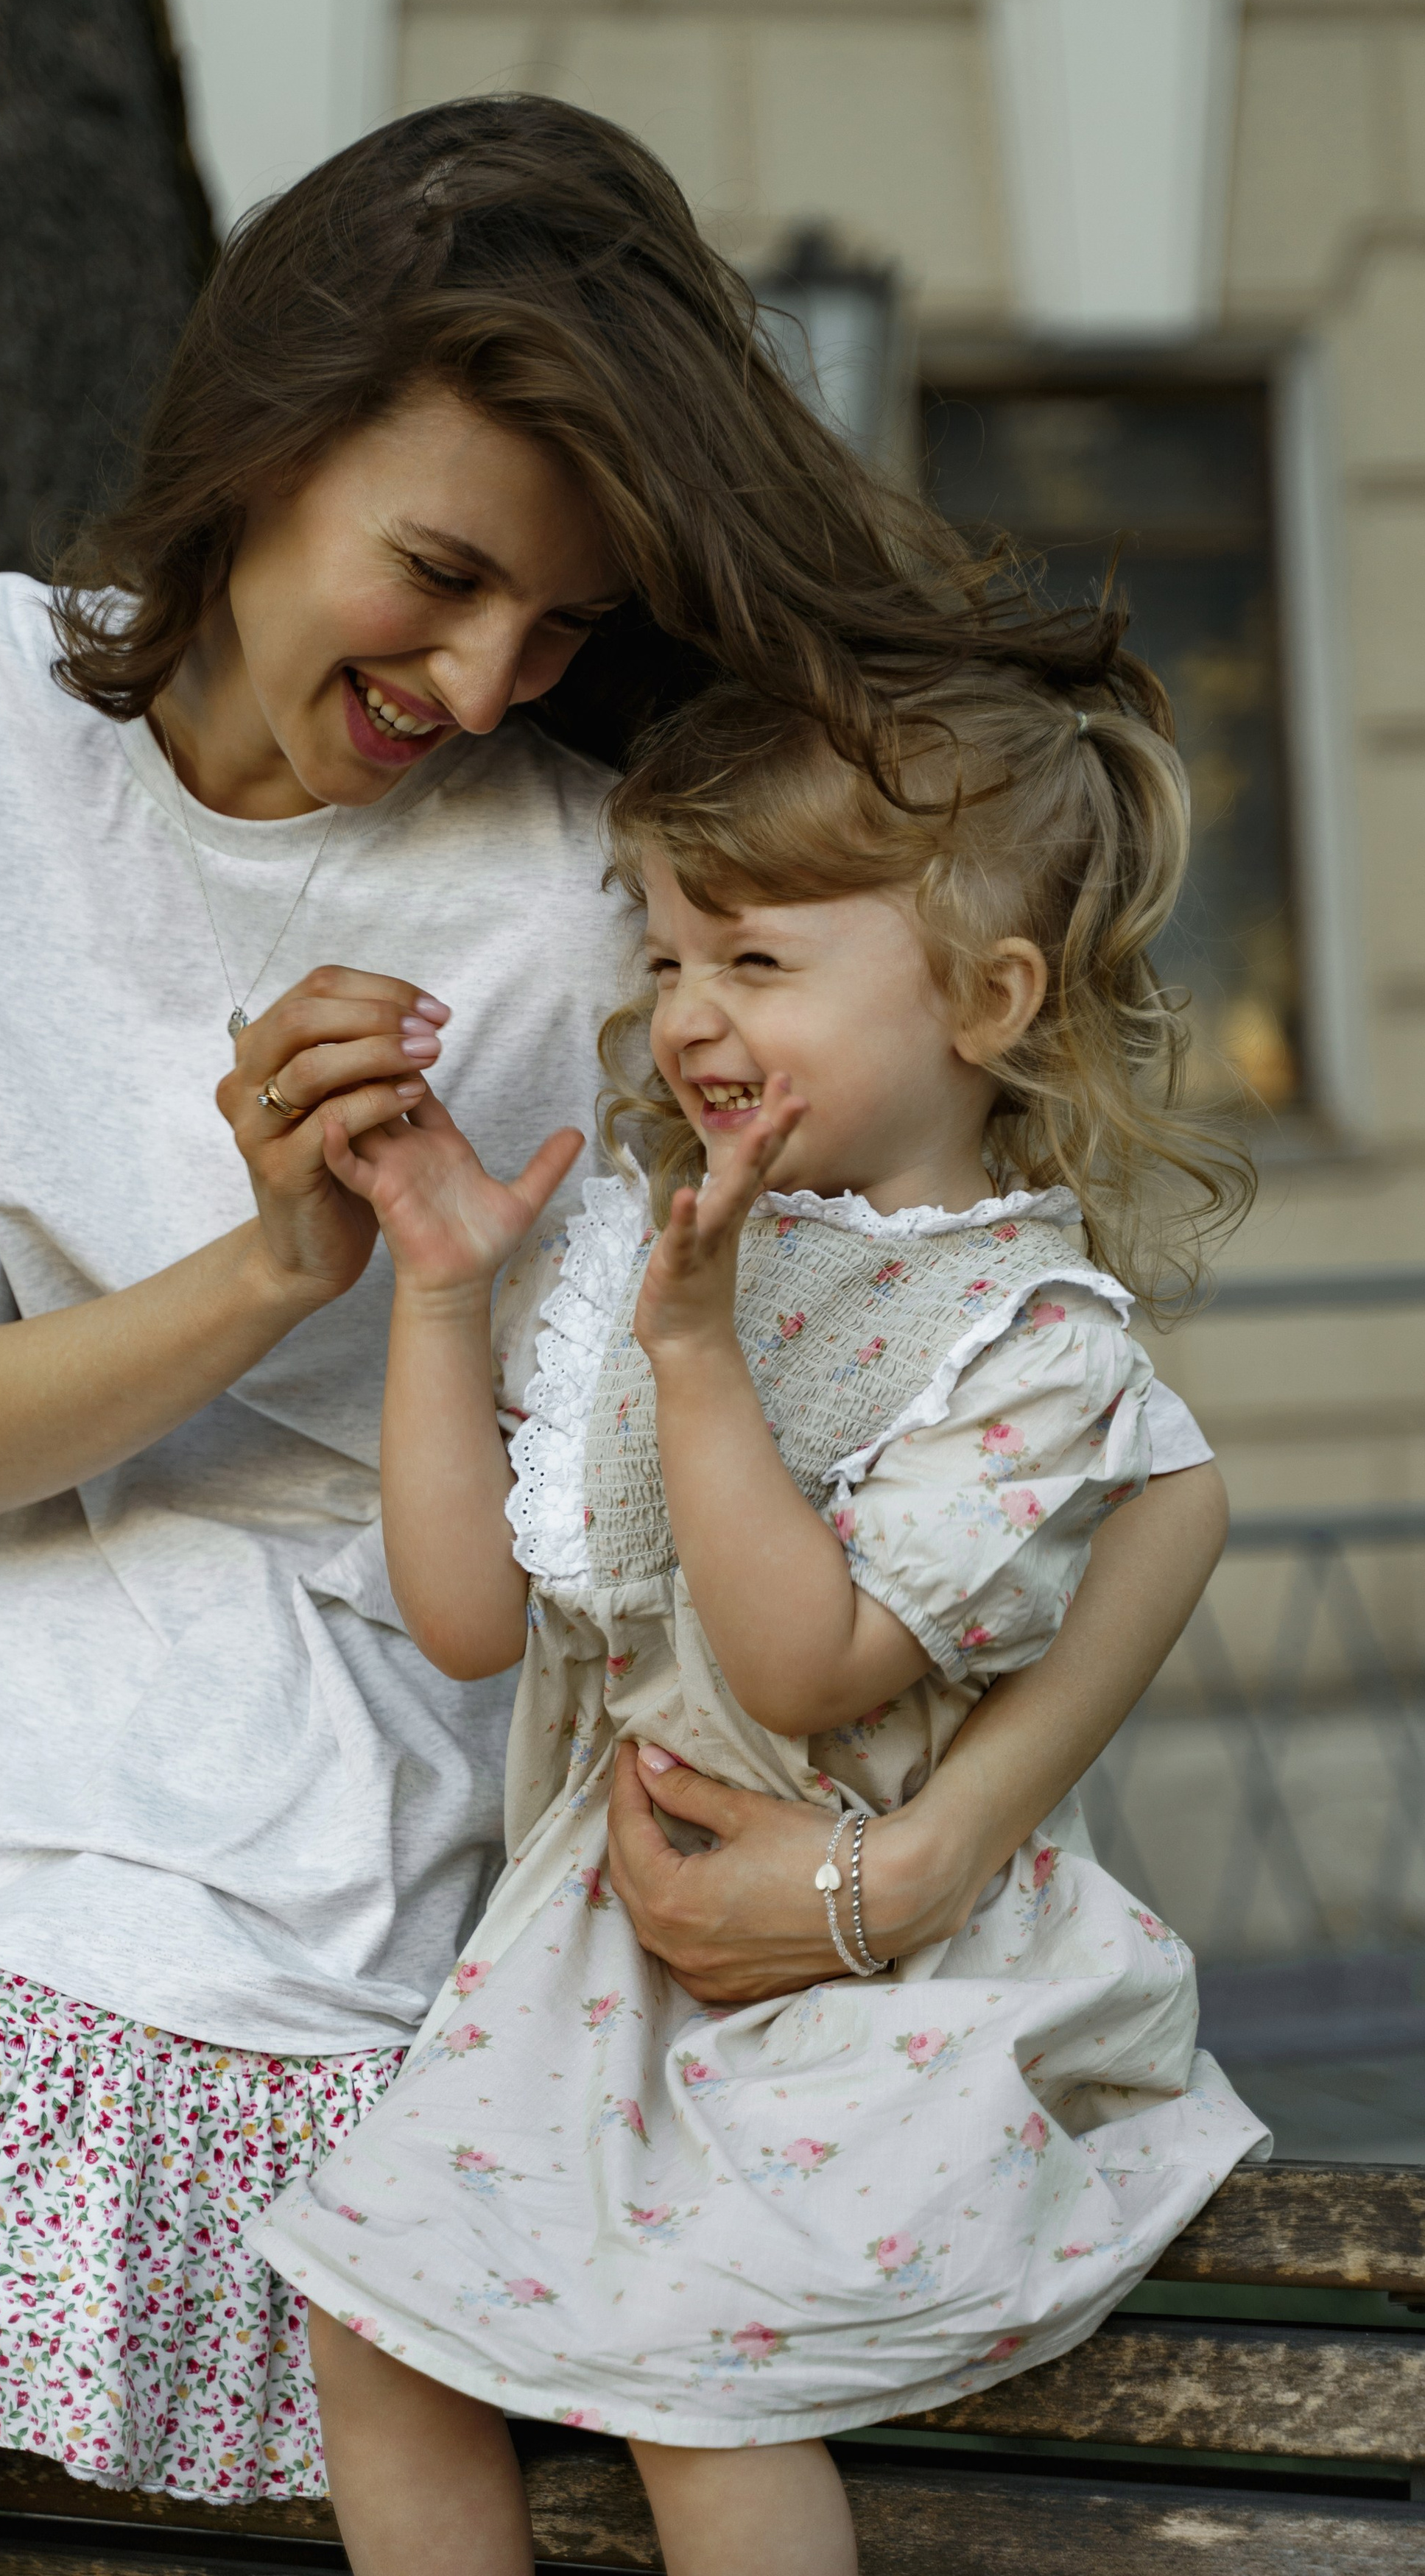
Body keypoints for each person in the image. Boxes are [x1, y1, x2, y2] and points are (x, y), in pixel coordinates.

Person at [0, 100, 1232, 2576]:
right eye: (439, 575)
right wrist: (271, 1263)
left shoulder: (607, 908)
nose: (478, 678)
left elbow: (1119, 1436)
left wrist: (920, 1855)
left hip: (263, 1888)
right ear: (258, 442)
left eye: (551, 627)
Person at [254, 674, 1269, 2576]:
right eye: (667, 952)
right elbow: (473, 1620)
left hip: (865, 1996)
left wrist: (703, 1361)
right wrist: (448, 1297)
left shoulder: (1029, 1338)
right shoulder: (672, 1252)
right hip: (590, 1968)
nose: (690, 1010)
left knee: (695, 2378)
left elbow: (813, 1668)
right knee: (369, 2326)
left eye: (759, 956)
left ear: (989, 1003)